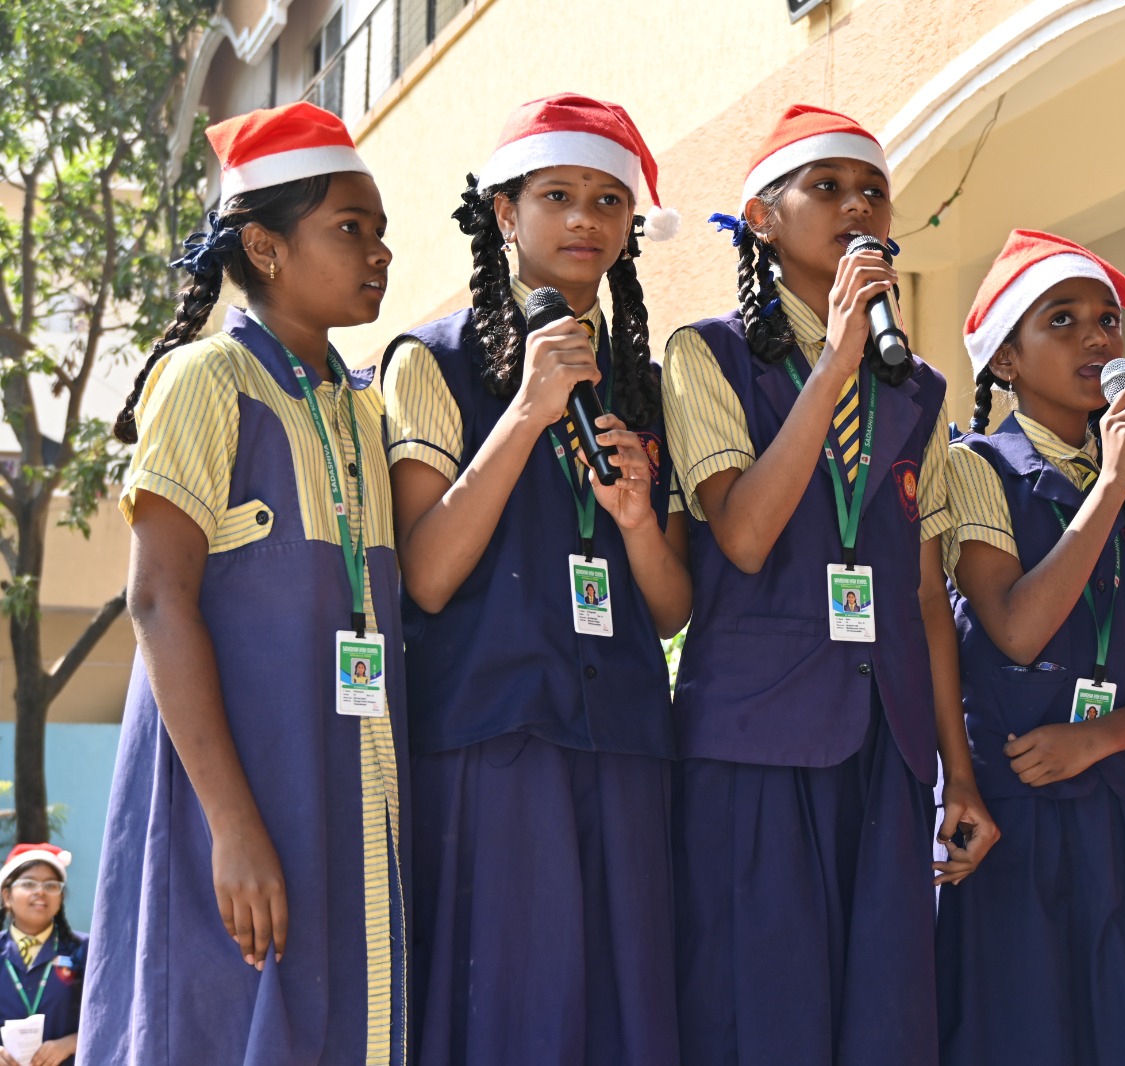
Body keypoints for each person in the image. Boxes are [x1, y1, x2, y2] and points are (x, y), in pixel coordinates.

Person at [661, 103, 998, 1065]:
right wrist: (836, 361)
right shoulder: (707, 354)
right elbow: (744, 536)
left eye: (874, 192)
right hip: (756, 740)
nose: (858, 206)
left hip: (887, 743)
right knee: (763, 1016)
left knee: (885, 1020)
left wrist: (958, 773)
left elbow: (928, 596)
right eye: (828, 187)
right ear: (761, 220)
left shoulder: (918, 389)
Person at [79, 102, 406, 1064]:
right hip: (233, 797)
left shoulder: (367, 407)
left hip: (347, 787)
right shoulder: (206, 378)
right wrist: (232, 826)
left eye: (381, 229)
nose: (379, 251)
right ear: (264, 247)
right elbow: (156, 600)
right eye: (351, 228)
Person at [382, 94, 688, 1065]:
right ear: (505, 213)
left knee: (622, 1017)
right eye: (558, 195)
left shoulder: (646, 385)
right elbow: (426, 576)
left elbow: (672, 608)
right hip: (492, 735)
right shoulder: (429, 361)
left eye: (608, 199)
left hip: (627, 737)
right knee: (510, 1016)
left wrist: (636, 522)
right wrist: (524, 412)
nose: (585, 219)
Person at [936, 230, 1125, 1064]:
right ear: (1005, 361)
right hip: (1018, 812)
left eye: (1106, 322)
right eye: (1062, 320)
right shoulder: (977, 467)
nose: (1096, 338)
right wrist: (1111, 484)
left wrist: (1100, 739)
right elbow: (1016, 631)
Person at [0, 845, 86, 1066]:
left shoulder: (86, 950)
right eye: (28, 883)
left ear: (61, 898)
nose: (40, 891)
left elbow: (113, 1014)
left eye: (51, 885)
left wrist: (72, 1043)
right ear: (7, 896)